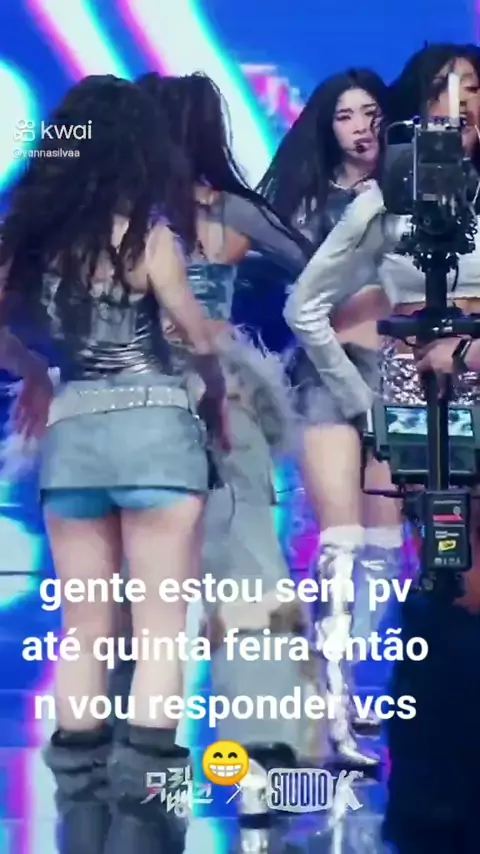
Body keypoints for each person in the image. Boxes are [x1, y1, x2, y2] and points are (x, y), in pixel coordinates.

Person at [0, 74, 229, 854]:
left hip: (74, 435)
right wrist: (216, 393)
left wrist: (35, 370)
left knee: (86, 633)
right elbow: (195, 338)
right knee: (162, 634)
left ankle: (83, 823)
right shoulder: (151, 237)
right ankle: (146, 827)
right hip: (158, 435)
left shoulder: (31, 240)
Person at [126, 72, 329, 791]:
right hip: (217, 396)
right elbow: (318, 265)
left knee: (134, 579)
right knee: (247, 567)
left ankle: (132, 743)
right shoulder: (227, 211)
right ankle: (270, 742)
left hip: (135, 401)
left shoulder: (114, 213)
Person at [259, 69, 395, 768]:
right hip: (325, 380)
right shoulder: (308, 204)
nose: (362, 126)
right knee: (340, 543)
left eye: (371, 112)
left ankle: (345, 683)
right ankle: (332, 710)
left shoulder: (415, 197)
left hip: (398, 381)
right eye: (346, 115)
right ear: (326, 126)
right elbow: (299, 299)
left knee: (385, 550)